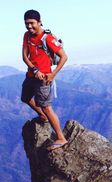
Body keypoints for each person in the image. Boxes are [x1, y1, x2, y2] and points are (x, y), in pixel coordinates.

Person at [21, 9, 68, 151]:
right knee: (26, 98)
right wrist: (34, 70)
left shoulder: (47, 38)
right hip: (31, 75)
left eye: (32, 23)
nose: (29, 27)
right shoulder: (27, 36)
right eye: (26, 24)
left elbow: (64, 56)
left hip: (45, 78)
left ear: (39, 22)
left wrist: (53, 74)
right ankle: (43, 117)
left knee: (46, 107)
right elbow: (25, 57)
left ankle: (61, 138)